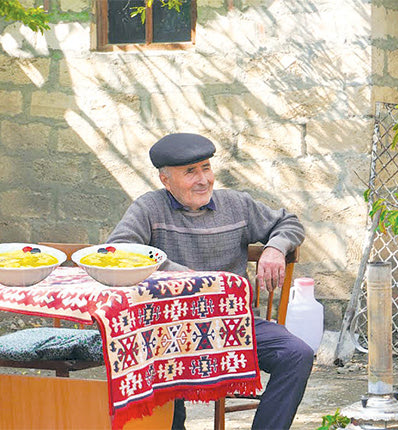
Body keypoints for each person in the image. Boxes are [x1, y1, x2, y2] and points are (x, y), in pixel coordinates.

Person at [107, 133, 313, 430]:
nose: (203, 179)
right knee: (157, 366)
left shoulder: (236, 204)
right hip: (170, 329)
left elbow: (288, 222)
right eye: (190, 172)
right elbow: (120, 250)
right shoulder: (148, 208)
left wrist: (275, 248)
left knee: (297, 354)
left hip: (233, 324)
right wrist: (181, 274)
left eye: (205, 168)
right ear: (166, 181)